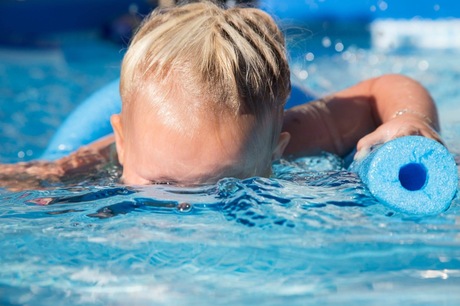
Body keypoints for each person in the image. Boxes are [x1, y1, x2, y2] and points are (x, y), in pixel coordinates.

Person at [0, 1, 441, 190]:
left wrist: (409, 119)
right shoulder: (107, 154)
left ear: (276, 150)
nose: (184, 206)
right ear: (122, 141)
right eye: (163, 184)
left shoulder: (292, 134)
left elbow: (383, 89)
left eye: (226, 184)